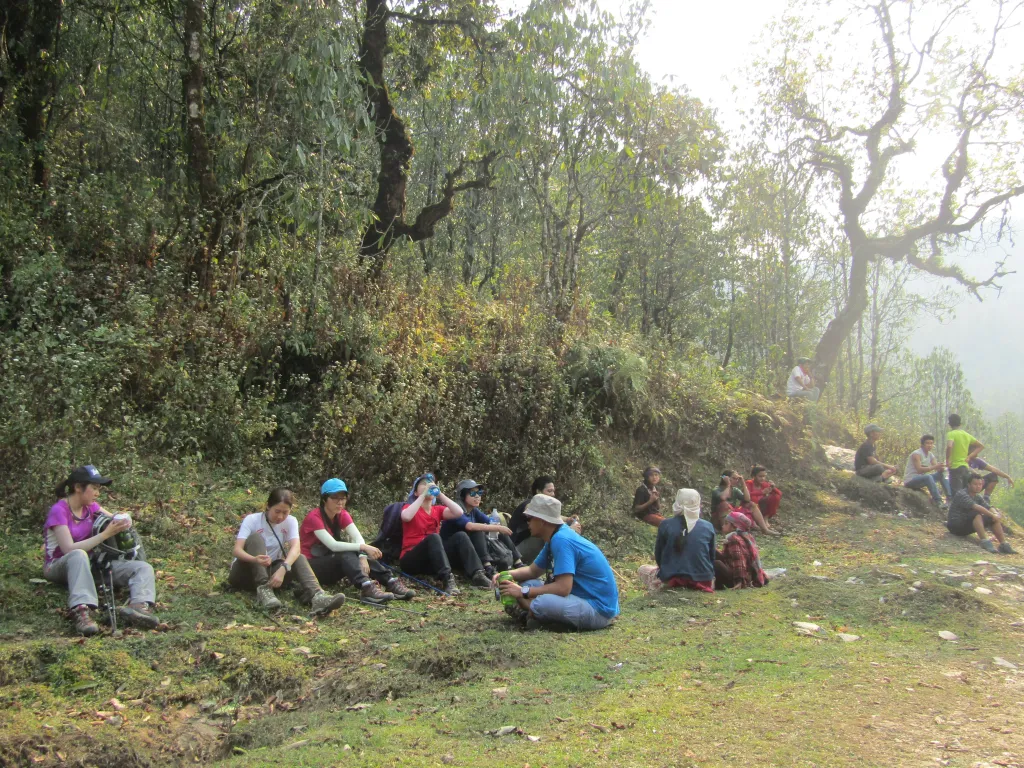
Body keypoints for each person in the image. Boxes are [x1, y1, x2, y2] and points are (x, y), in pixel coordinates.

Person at [43, 465, 160, 636]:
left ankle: (138, 608)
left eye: (99, 489)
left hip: (89, 565)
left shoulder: (91, 506)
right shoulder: (59, 511)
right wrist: (105, 535)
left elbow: (113, 517)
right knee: (78, 555)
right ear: (78, 487)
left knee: (143, 568)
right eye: (94, 488)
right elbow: (68, 549)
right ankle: (83, 612)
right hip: (58, 566)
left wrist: (123, 520)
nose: (98, 493)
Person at [496, 494, 619, 631]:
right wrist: (505, 574)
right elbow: (532, 571)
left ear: (542, 521)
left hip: (598, 610)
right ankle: (535, 616)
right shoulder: (555, 537)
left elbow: (563, 588)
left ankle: (531, 613)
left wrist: (523, 593)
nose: (527, 523)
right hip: (578, 598)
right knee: (528, 583)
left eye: (530, 518)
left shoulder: (562, 540)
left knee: (542, 602)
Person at [230, 488, 346, 615]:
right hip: (243, 573)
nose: (280, 516)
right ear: (268, 506)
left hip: (272, 572)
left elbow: (296, 548)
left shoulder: (291, 521)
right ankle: (264, 590)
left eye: (285, 512)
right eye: (277, 511)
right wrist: (254, 559)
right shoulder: (252, 520)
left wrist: (283, 568)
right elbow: (237, 550)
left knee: (299, 557)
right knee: (256, 538)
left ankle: (317, 596)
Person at [299, 479, 415, 604]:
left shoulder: (342, 514)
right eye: (334, 498)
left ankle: (390, 581)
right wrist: (363, 548)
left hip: (330, 561)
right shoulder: (314, 517)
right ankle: (366, 586)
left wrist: (362, 555)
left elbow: (358, 538)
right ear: (324, 499)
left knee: (352, 551)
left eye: (343, 498)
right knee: (346, 551)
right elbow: (333, 545)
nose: (340, 502)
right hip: (311, 568)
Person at [399, 474, 481, 594]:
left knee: (460, 536)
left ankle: (478, 573)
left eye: (430, 483)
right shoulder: (408, 507)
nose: (428, 485)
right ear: (415, 493)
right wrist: (423, 495)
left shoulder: (437, 509)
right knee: (434, 537)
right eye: (423, 484)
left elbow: (459, 512)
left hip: (432, 560)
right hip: (411, 559)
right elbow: (406, 517)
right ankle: (447, 579)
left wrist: (440, 494)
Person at [637, 489, 717, 593]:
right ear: (697, 503)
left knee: (643, 569)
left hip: (671, 579)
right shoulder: (708, 526)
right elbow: (711, 557)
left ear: (677, 502)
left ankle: (661, 588)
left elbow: (659, 555)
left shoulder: (665, 524)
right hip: (703, 580)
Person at [442, 479, 525, 580]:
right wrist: (496, 527)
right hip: (456, 554)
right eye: (473, 493)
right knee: (478, 530)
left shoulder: (473, 510)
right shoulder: (455, 510)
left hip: (470, 554)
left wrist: (498, 527)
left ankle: (518, 563)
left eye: (479, 493)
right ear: (463, 495)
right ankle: (488, 567)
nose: (477, 496)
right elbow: (470, 526)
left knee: (498, 531)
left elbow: (491, 523)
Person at [509, 476, 581, 564]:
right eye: (549, 491)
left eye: (553, 491)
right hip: (514, 551)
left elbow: (549, 516)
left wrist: (568, 519)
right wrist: (569, 531)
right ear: (538, 492)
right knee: (547, 533)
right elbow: (542, 515)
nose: (553, 494)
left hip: (525, 549)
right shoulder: (529, 505)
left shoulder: (541, 511)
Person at [946, 473, 1015, 554]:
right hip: (955, 526)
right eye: (975, 484)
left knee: (992, 518)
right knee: (977, 513)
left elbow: (988, 506)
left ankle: (1004, 545)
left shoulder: (977, 496)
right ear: (969, 485)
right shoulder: (962, 494)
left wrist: (995, 514)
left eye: (980, 484)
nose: (978, 486)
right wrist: (992, 514)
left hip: (966, 525)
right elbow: (977, 507)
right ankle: (985, 542)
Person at [711, 470, 778, 535]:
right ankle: (725, 531)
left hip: (731, 517)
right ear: (726, 478)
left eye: (737, 479)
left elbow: (747, 499)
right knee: (724, 504)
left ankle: (765, 530)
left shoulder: (735, 490)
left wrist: (743, 483)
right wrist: (728, 484)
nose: (736, 481)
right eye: (734, 478)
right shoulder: (717, 489)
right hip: (718, 520)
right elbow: (723, 498)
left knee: (751, 504)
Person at [714, 511, 768, 589]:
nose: (723, 526)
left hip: (736, 578)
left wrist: (739, 582)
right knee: (714, 551)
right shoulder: (746, 536)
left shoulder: (734, 539)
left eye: (726, 523)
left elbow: (739, 561)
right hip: (745, 574)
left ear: (735, 527)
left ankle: (718, 585)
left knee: (716, 564)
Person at [903, 434, 951, 506]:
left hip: (922, 479)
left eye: (931, 443)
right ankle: (938, 501)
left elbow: (936, 467)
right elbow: (919, 470)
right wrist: (935, 467)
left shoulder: (930, 455)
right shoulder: (916, 454)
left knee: (941, 474)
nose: (929, 445)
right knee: (928, 477)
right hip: (911, 480)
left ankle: (950, 498)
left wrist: (942, 467)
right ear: (922, 444)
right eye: (927, 443)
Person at [945, 414, 984, 496]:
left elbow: (949, 446)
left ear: (949, 424)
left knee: (957, 493)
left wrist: (948, 459)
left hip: (955, 467)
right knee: (965, 492)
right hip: (965, 467)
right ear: (960, 424)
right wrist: (969, 456)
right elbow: (981, 446)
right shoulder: (966, 435)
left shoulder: (951, 434)